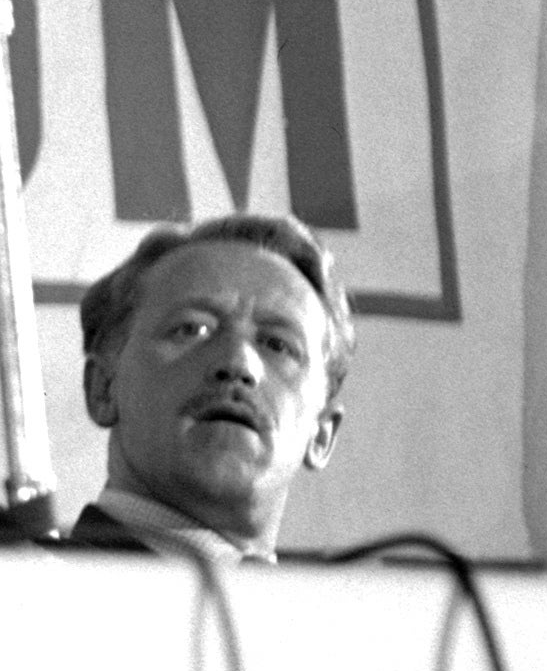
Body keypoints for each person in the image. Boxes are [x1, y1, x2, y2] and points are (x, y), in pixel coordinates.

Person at [63, 213, 351, 560]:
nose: (239, 364)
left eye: (278, 345)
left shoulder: (357, 613)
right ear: (103, 388)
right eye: (192, 329)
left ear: (322, 435)